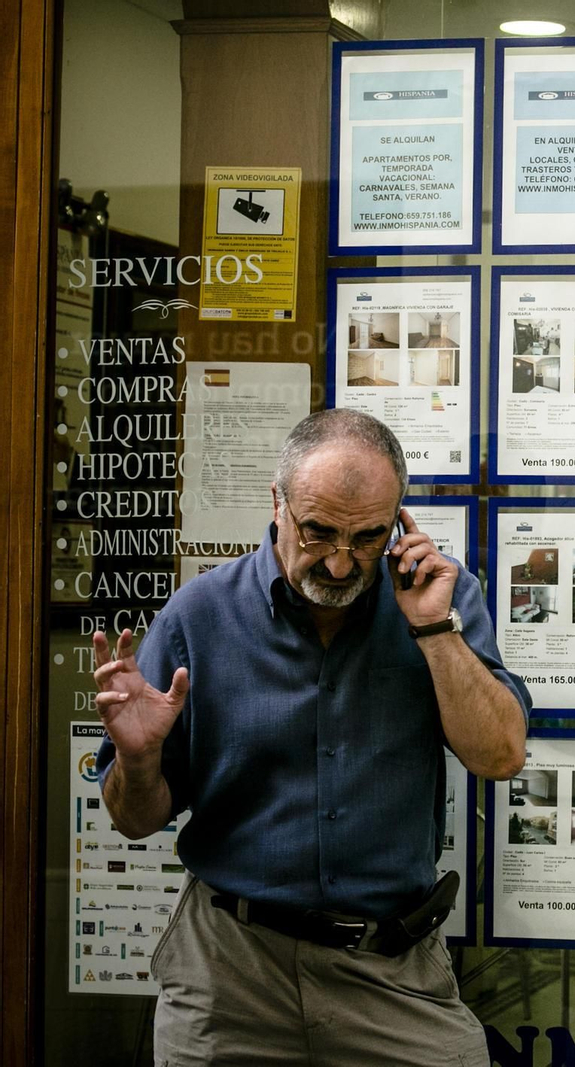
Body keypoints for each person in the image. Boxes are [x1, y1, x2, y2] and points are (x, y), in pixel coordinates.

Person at [92, 409, 530, 1066]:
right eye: (318, 530)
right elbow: (133, 817)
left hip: (390, 971)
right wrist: (138, 755)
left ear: (399, 522)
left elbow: (499, 755)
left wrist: (435, 631)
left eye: (368, 536)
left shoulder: (440, 595)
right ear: (278, 504)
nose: (339, 560)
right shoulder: (201, 614)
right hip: (229, 971)